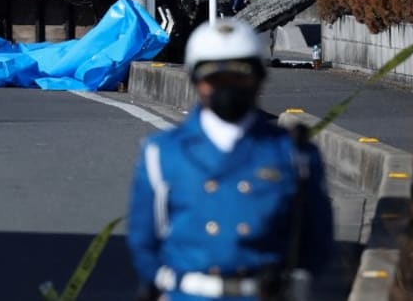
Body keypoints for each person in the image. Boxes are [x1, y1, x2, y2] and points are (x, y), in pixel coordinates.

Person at [127, 18, 333, 301]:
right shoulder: (162, 153)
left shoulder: (292, 153)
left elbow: (317, 240)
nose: (227, 88)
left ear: (259, 77)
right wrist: (165, 280)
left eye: (239, 76)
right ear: (196, 81)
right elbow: (144, 241)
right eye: (215, 79)